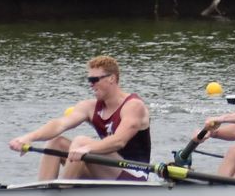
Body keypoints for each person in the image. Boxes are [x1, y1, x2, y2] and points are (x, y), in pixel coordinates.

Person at [8, 55, 153, 181]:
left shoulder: (133, 106)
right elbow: (59, 125)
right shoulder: (89, 107)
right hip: (107, 170)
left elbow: (119, 141)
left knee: (80, 141)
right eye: (89, 80)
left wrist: (87, 148)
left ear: (112, 79)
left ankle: (62, 193)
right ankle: (42, 192)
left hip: (134, 174)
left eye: (94, 79)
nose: (91, 84)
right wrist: (28, 137)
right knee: (56, 142)